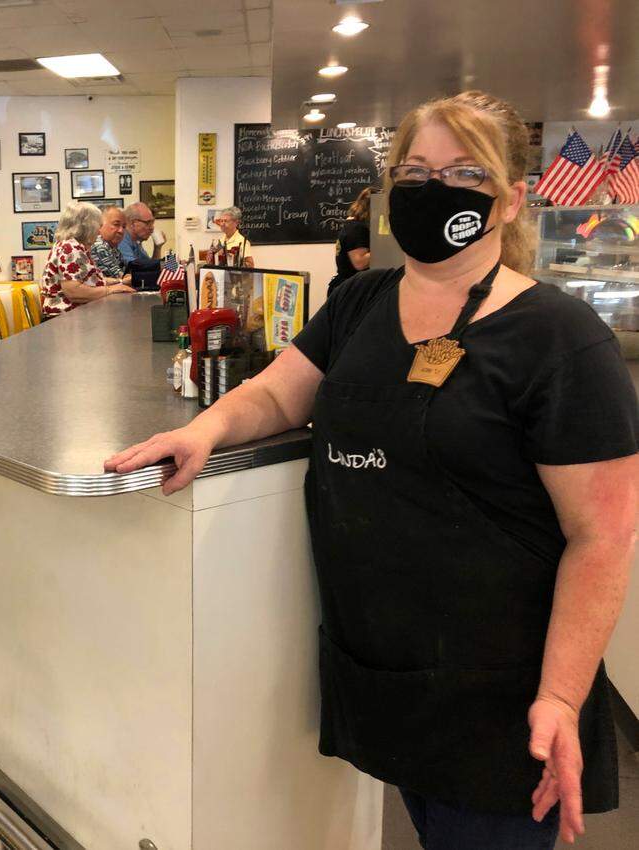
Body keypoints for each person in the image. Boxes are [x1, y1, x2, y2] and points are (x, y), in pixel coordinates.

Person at [105, 90, 638, 849]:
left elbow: (605, 538)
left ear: (513, 200)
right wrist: (207, 428)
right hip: (385, 672)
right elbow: (278, 392)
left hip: (502, 697)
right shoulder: (361, 301)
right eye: (414, 172)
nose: (433, 190)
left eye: (464, 173)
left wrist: (559, 695)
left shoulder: (561, 338)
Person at [41, 202, 134, 318]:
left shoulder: (71, 245)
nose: (99, 231)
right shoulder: (70, 249)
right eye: (98, 226)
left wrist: (120, 283)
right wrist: (111, 290)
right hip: (65, 318)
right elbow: (74, 292)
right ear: (86, 226)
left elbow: (89, 280)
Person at [330, 187, 372, 292]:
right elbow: (360, 262)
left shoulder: (350, 225)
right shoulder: (357, 228)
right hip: (351, 289)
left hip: (345, 286)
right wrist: (386, 249)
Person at [90, 206, 133, 285]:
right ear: (100, 225)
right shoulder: (99, 246)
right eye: (116, 224)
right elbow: (122, 278)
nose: (121, 231)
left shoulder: (112, 247)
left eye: (124, 227)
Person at [119, 202, 165, 272]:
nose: (152, 228)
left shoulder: (136, 241)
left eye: (152, 223)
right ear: (133, 223)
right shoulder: (122, 240)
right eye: (148, 223)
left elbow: (150, 267)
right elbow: (136, 268)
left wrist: (157, 248)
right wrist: (170, 264)